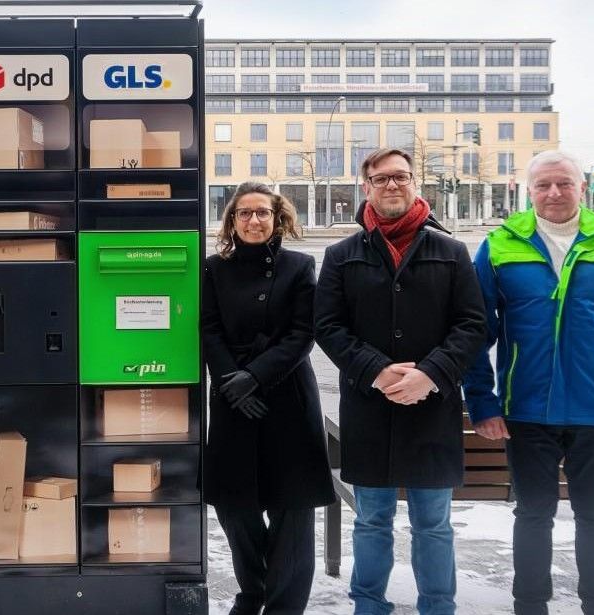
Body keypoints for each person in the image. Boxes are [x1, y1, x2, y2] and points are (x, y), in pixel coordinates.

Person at [464, 150, 594, 615]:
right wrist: (483, 402)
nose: (553, 193)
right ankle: (529, 607)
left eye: (564, 183)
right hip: (525, 413)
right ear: (527, 189)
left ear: (582, 188)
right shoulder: (499, 245)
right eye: (543, 185)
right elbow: (475, 332)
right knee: (533, 516)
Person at [314, 148, 487, 615]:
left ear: (415, 184)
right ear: (365, 186)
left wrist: (430, 373)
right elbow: (328, 326)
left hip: (432, 407)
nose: (392, 185)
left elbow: (472, 325)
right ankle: (368, 605)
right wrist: (375, 369)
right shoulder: (341, 255)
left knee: (434, 523)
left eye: (401, 176)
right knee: (372, 520)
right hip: (369, 408)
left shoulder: (449, 251)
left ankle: (438, 606)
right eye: (381, 178)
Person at [201, 181, 336, 615]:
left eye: (262, 213)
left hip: (287, 399)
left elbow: (302, 333)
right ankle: (253, 591)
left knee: (291, 512)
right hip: (231, 400)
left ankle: (283, 605)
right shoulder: (213, 269)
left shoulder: (299, 266)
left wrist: (254, 377)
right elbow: (208, 329)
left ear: (278, 219)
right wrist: (230, 382)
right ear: (231, 220)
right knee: (234, 507)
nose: (253, 220)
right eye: (244, 213)